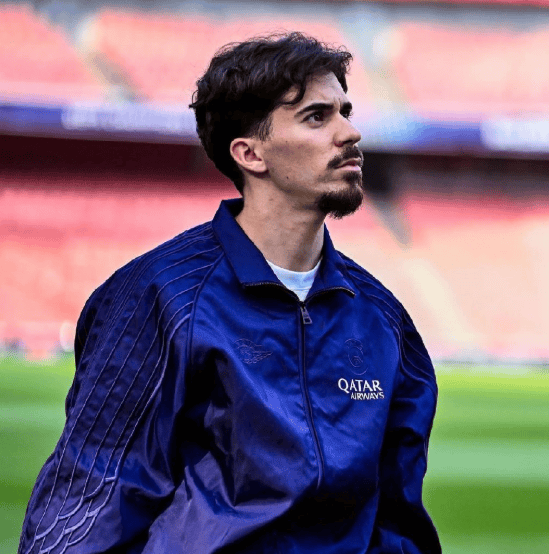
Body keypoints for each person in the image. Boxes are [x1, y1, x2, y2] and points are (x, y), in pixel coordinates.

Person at [19, 32, 441, 554]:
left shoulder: (382, 318)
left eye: (345, 112)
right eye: (316, 117)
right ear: (250, 153)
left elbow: (399, 516)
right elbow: (89, 506)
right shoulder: (160, 298)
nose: (350, 132)